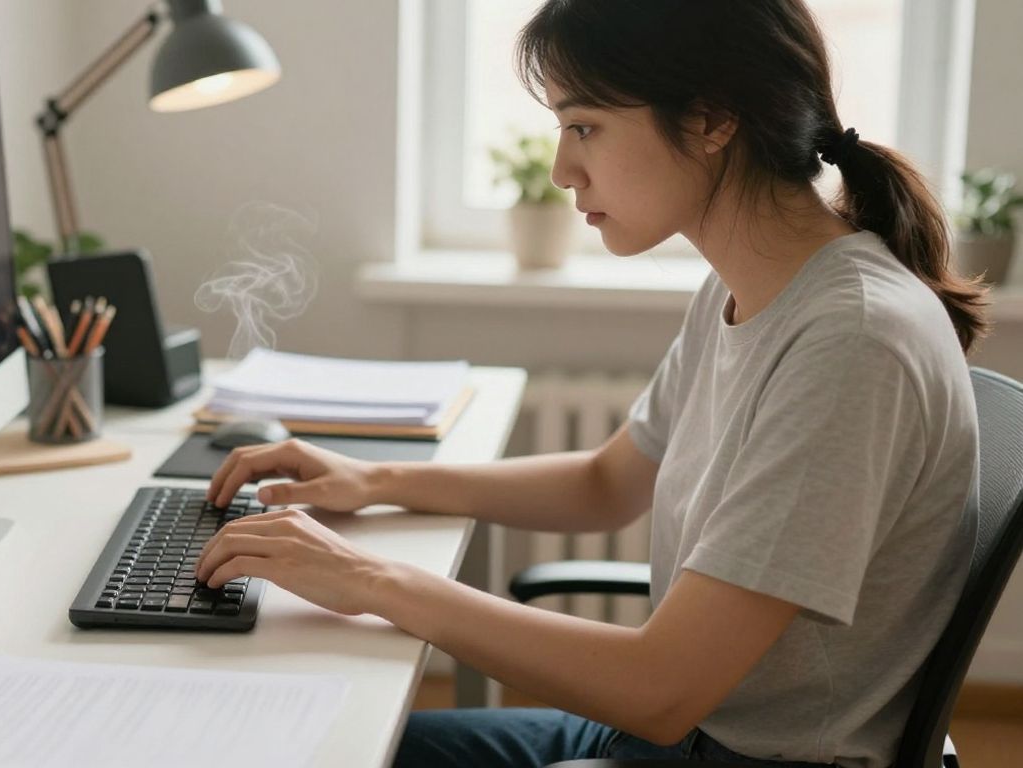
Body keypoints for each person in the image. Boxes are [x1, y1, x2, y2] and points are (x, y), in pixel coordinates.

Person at [194, 0, 988, 764]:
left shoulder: (851, 341)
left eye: (584, 127)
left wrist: (367, 578)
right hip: (678, 739)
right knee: (303, 742)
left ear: (712, 119)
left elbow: (661, 689)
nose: (561, 168)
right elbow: (606, 482)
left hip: (730, 752)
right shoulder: (747, 285)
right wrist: (373, 480)